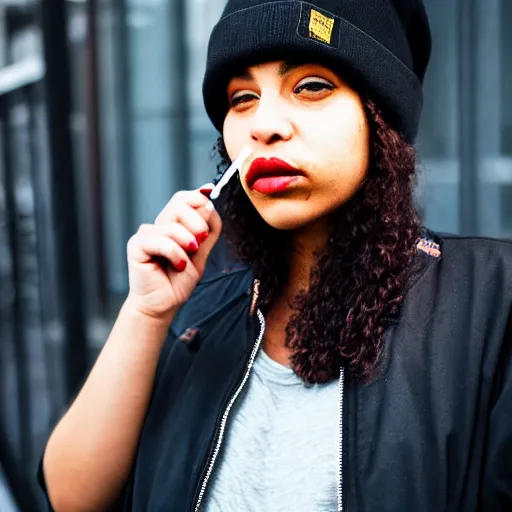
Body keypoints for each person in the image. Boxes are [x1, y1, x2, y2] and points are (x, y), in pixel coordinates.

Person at [39, 0, 512, 511]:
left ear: (381, 118)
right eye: (242, 97)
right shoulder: (201, 311)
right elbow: (71, 498)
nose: (263, 125)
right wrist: (146, 312)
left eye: (310, 87)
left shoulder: (492, 302)